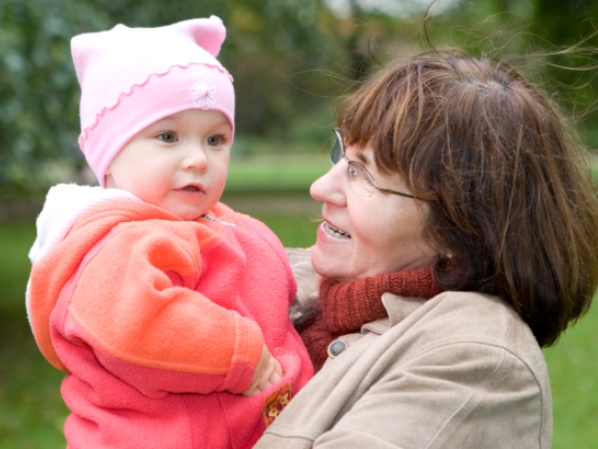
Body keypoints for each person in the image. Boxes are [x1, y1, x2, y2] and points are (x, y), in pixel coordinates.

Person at [255, 49, 598, 448]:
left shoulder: (474, 361)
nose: (321, 187)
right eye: (342, 153)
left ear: (457, 231)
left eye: (362, 173)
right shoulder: (265, 274)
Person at [26, 16, 312, 449]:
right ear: (110, 154)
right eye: (168, 136)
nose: (198, 159)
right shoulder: (118, 242)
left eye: (215, 141)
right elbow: (136, 323)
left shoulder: (220, 223)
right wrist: (238, 352)